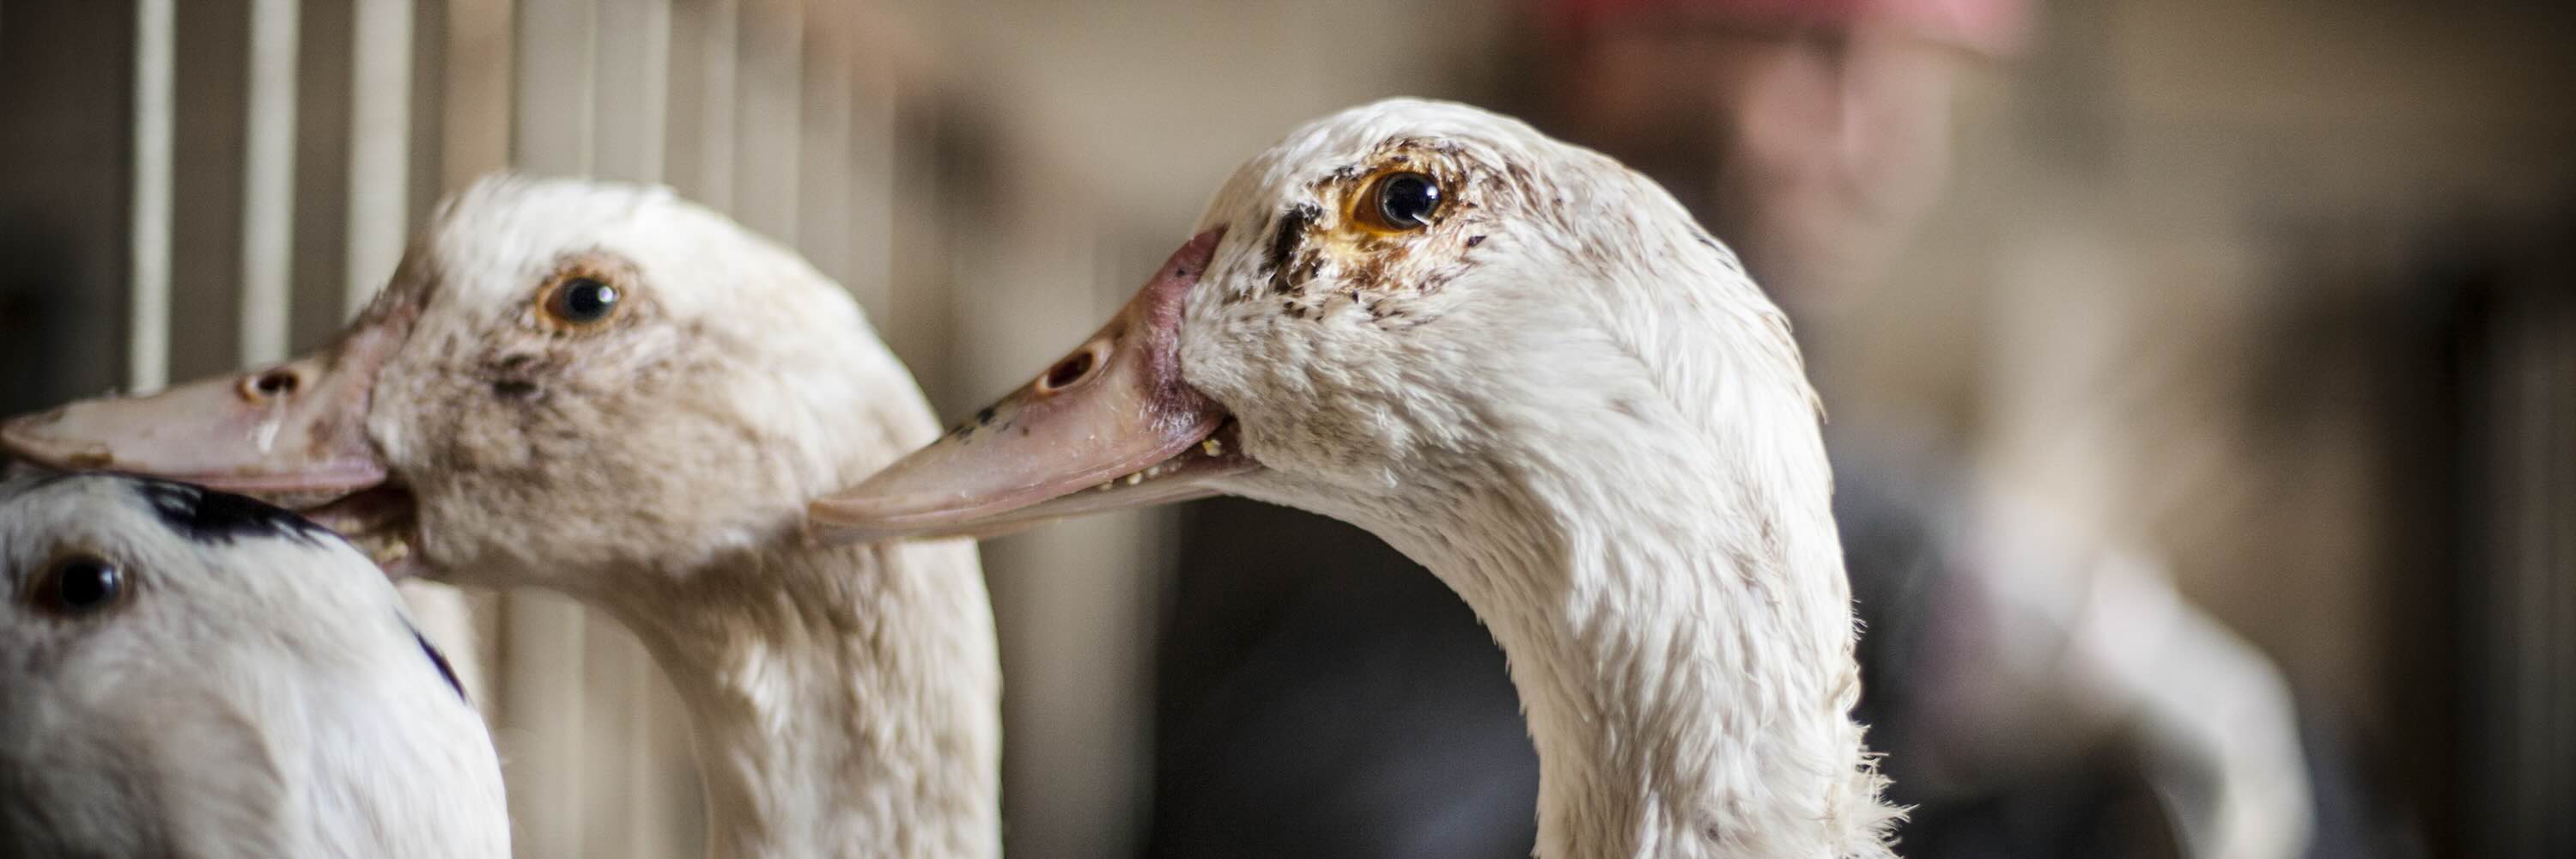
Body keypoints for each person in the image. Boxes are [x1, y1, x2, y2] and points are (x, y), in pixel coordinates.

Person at [1145, 2, 2324, 856]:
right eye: (1824, 58)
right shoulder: (1390, 299)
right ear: (1615, 44)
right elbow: (1674, 479)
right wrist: (2003, 586)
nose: (1884, 153)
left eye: (1921, 85)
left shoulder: (1692, 314)